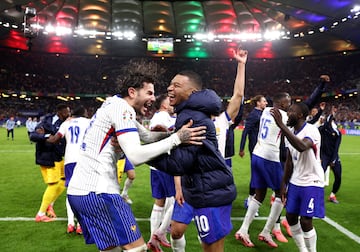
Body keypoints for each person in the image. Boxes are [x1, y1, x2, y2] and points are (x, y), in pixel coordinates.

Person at [66, 66, 206, 252]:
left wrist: (175, 134)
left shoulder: (112, 104)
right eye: (149, 92)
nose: (152, 98)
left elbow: (147, 136)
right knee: (137, 248)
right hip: (98, 191)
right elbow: (136, 155)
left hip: (79, 192)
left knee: (112, 249)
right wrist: (177, 139)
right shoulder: (123, 109)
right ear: (132, 92)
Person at [147, 48, 247, 252]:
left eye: (176, 85)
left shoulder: (221, 121)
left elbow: (238, 95)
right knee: (176, 230)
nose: (170, 88)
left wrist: (241, 65)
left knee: (210, 243)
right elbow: (182, 156)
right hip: (190, 184)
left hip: (207, 184)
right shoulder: (186, 120)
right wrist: (178, 187)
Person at [234, 75, 330, 248]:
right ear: (282, 104)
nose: (290, 104)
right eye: (288, 102)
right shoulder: (284, 116)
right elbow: (306, 106)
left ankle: (244, 229)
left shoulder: (265, 111)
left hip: (257, 154)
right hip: (269, 158)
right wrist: (321, 87)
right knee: (280, 193)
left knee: (259, 194)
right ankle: (266, 231)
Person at [270, 102, 325, 252]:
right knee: (290, 217)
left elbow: (302, 146)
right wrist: (284, 184)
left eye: (291, 111)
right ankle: (303, 249)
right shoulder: (291, 133)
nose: (288, 114)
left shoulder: (311, 130)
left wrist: (281, 125)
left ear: (300, 115)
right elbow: (289, 162)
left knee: (306, 221)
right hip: (296, 181)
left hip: (312, 181)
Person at [47, 105, 90, 234]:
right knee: (84, 191)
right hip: (84, 159)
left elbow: (55, 139)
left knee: (71, 190)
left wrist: (43, 138)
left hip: (69, 160)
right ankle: (81, 225)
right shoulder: (88, 122)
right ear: (83, 113)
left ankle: (70, 223)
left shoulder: (66, 124)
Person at [30, 103, 71, 222]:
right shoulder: (47, 121)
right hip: (48, 157)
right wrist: (47, 136)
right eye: (66, 112)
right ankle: (40, 214)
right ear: (60, 112)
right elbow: (33, 135)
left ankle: (50, 205)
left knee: (64, 181)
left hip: (59, 157)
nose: (68, 114)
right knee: (53, 184)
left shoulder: (66, 123)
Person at [147, 94, 177, 252]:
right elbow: (158, 130)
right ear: (163, 105)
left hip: (156, 165)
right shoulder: (162, 117)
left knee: (159, 202)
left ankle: (153, 238)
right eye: (169, 101)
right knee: (175, 198)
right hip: (165, 164)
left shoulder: (160, 116)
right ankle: (160, 232)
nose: (172, 103)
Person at [239, 95, 268, 216]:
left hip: (262, 148)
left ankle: (252, 198)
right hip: (255, 149)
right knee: (257, 174)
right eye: (264, 101)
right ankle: (251, 200)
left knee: (261, 174)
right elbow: (245, 132)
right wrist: (241, 148)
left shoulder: (264, 114)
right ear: (258, 103)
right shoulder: (253, 115)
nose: (266, 103)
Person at [318, 105, 342, 204]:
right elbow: (325, 124)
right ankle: (315, 195)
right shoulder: (323, 129)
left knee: (338, 176)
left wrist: (333, 160)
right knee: (318, 177)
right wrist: (330, 114)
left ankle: (332, 195)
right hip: (323, 156)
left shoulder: (338, 133)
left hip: (333, 156)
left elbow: (336, 148)